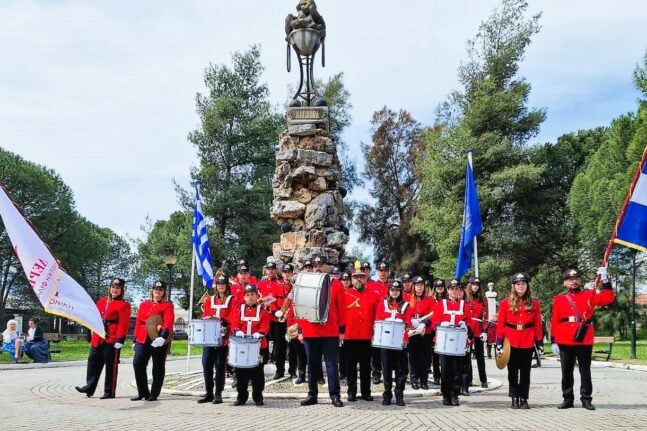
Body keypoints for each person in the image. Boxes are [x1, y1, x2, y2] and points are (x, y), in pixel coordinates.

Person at [551, 267, 614, 411]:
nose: (573, 281)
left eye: (576, 279)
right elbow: (555, 320)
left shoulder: (590, 295)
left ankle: (586, 399)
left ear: (580, 281)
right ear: (565, 283)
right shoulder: (559, 299)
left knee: (585, 370)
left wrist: (605, 280)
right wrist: (554, 340)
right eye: (569, 279)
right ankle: (567, 399)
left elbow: (608, 298)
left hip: (584, 337)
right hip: (565, 338)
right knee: (566, 371)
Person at [296, 258, 346, 408]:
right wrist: (300, 330)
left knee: (332, 365)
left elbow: (342, 308)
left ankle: (335, 395)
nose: (318, 268)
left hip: (330, 331)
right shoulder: (306, 283)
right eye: (315, 265)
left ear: (326, 267)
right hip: (310, 332)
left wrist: (342, 330)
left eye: (321, 265)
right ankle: (312, 395)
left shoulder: (335, 284)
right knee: (312, 365)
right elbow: (300, 307)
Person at [76, 278, 131, 399]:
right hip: (98, 336)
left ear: (122, 290)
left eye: (117, 288)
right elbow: (93, 317)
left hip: (112, 338)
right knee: (93, 362)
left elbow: (124, 323)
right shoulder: (102, 301)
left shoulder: (124, 305)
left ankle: (109, 391)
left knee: (111, 365)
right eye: (113, 287)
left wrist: (120, 339)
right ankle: (89, 387)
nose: (114, 290)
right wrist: (89, 332)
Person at [495, 273, 543, 409]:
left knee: (525, 372)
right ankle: (514, 397)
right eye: (518, 284)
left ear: (527, 286)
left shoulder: (534, 303)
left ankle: (524, 398)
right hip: (511, 341)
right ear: (513, 286)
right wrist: (499, 343)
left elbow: (537, 324)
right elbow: (501, 324)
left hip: (527, 339)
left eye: (523, 284)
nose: (520, 286)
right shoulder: (505, 303)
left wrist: (539, 342)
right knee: (512, 371)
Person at [131, 280, 175, 402]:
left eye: (160, 290)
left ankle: (154, 393)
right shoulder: (144, 304)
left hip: (158, 337)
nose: (158, 292)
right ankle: (142, 392)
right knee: (137, 363)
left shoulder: (167, 305)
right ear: (152, 290)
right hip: (143, 336)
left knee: (158, 366)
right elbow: (139, 321)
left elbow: (169, 321)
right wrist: (135, 340)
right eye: (156, 289)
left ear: (164, 292)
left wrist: (163, 336)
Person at [431, 279, 472, 406]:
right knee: (445, 370)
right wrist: (441, 324)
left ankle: (455, 394)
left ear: (460, 291)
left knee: (457, 370)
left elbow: (469, 323)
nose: (455, 291)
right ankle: (445, 394)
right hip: (444, 342)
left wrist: (465, 326)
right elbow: (434, 323)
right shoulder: (440, 305)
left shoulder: (465, 306)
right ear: (447, 290)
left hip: (459, 342)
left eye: (457, 289)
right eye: (452, 289)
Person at [198, 274, 237, 404]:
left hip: (223, 338)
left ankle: (218, 393)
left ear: (227, 286)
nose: (221, 286)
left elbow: (234, 317)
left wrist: (223, 321)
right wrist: (207, 318)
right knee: (206, 364)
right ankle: (208, 392)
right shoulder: (209, 300)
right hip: (209, 337)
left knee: (220, 366)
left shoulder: (232, 300)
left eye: (223, 284)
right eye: (218, 284)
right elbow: (205, 315)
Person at [229, 284, 270, 406]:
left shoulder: (263, 312)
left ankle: (258, 396)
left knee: (257, 373)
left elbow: (265, 327)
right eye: (247, 295)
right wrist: (237, 331)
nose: (250, 297)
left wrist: (260, 333)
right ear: (244, 297)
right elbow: (234, 324)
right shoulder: (238, 311)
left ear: (257, 296)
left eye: (252, 294)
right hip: (242, 346)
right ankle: (241, 397)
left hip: (258, 347)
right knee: (241, 373)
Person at [375, 280, 413, 406]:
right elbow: (378, 321)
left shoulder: (406, 305)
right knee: (386, 370)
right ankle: (387, 394)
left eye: (397, 290)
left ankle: (399, 394)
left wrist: (411, 326)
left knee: (401, 370)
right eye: (392, 290)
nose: (395, 292)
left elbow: (408, 323)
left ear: (400, 291)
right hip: (386, 342)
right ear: (389, 291)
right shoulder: (382, 304)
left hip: (401, 342)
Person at [343, 266, 379, 402]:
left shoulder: (373, 295)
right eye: (356, 277)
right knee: (350, 366)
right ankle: (351, 392)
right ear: (351, 279)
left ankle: (366, 392)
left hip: (366, 335)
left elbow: (377, 316)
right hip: (350, 335)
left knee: (365, 367)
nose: (359, 279)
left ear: (366, 279)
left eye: (362, 277)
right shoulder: (345, 295)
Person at [259, 261, 287, 378]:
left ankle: (280, 371)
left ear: (275, 270)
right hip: (264, 318)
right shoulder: (261, 284)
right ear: (265, 270)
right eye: (268, 269)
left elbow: (281, 299)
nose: (270, 271)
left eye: (272, 269)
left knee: (279, 344)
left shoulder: (280, 283)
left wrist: (276, 310)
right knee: (262, 343)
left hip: (276, 318)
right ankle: (261, 368)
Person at [407, 276, 434, 390]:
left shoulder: (430, 300)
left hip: (424, 331)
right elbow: (404, 313)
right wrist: (411, 321)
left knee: (424, 357)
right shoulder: (408, 299)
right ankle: (414, 380)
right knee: (413, 356)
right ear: (413, 286)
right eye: (417, 285)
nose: (420, 288)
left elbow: (433, 314)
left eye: (421, 285)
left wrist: (425, 324)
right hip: (412, 331)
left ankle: (424, 381)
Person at [466, 276, 489, 388]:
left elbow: (485, 315)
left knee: (480, 356)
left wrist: (485, 330)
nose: (475, 287)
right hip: (468, 329)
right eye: (473, 284)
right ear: (470, 285)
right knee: (467, 356)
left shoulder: (483, 299)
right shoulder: (465, 298)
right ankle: (468, 380)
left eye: (477, 285)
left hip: (479, 329)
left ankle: (483, 380)